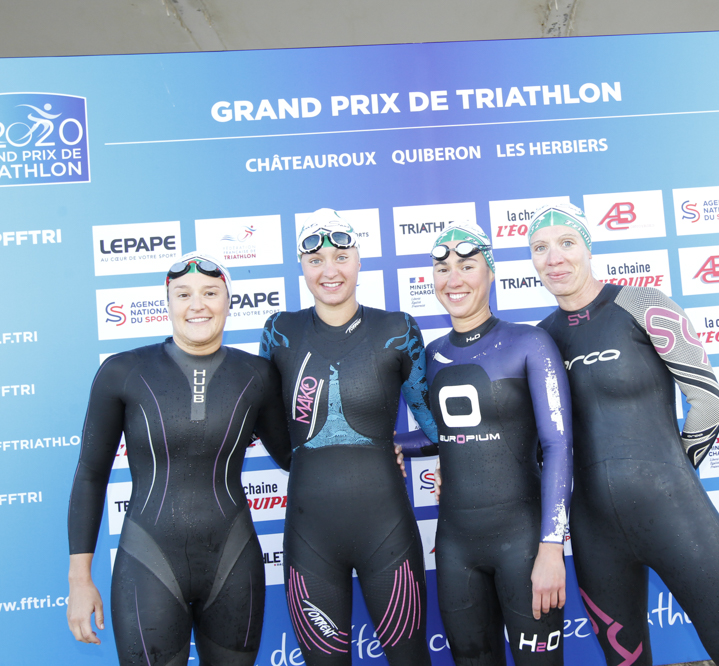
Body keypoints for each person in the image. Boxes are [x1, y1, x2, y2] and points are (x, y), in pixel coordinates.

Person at [528, 203, 719, 666]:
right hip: (594, 532)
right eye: (540, 248)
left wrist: (672, 471)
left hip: (675, 512)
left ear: (588, 248)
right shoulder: (539, 341)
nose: (554, 258)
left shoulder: (642, 305)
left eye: (566, 243)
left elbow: (709, 402)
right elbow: (535, 447)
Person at [67, 252, 293, 666]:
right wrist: (79, 581)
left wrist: (374, 449)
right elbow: (90, 475)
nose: (197, 305)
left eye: (210, 293)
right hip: (147, 563)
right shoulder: (123, 371)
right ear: (167, 303)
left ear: (229, 301)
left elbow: (295, 458)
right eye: (183, 294)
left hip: (233, 563)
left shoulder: (258, 375)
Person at [259, 208, 438, 666]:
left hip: (387, 531)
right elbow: (274, 431)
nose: (329, 271)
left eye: (341, 257)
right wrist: (312, 460)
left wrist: (399, 447)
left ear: (359, 260)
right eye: (315, 260)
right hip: (310, 535)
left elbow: (434, 426)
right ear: (301, 266)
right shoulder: (280, 332)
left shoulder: (397, 330)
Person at [408, 221, 572, 666]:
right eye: (442, 269)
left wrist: (552, 546)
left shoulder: (529, 342)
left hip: (524, 543)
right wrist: (388, 446)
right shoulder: (431, 354)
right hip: (455, 548)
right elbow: (439, 434)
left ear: (491, 272)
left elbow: (558, 445)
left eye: (467, 265)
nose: (453, 279)